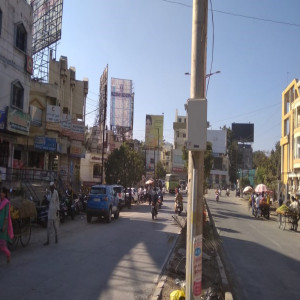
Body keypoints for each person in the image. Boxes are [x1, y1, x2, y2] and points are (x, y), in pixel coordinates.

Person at [0, 187, 14, 264]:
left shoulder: (6, 203)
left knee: (2, 246)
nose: (0, 194)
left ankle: (8, 254)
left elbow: (6, 216)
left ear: (5, 194)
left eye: (2, 192)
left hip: (3, 226)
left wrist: (4, 226)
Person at [44, 182, 60, 246]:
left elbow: (58, 201)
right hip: (50, 211)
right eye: (51, 187)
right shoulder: (50, 193)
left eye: (52, 187)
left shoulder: (56, 192)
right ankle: (48, 240)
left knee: (55, 226)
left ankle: (56, 238)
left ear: (54, 187)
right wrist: (47, 194)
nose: (51, 188)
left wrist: (58, 210)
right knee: (48, 227)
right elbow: (48, 199)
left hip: (55, 211)